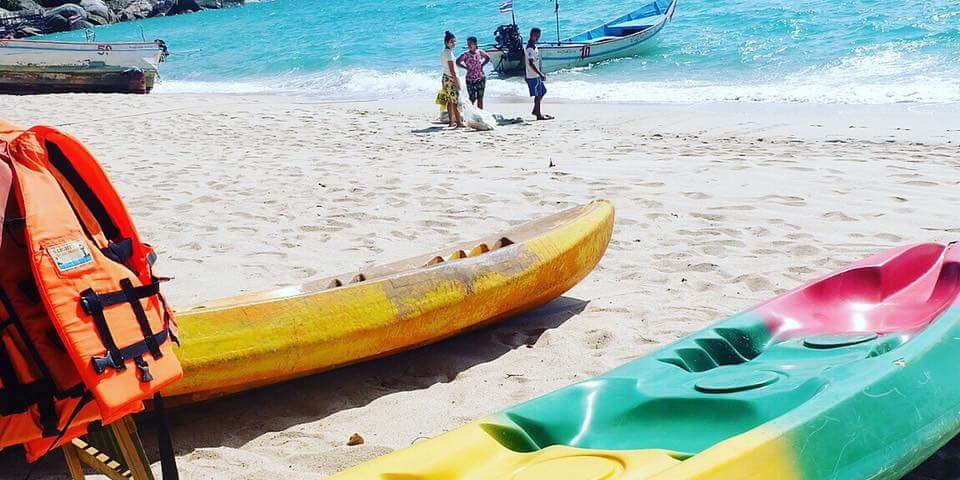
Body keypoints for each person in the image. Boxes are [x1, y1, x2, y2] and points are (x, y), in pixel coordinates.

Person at [435, 31, 464, 128]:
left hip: (445, 77)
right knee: (455, 101)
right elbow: (453, 71)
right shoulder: (449, 54)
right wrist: (458, 83)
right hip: (450, 78)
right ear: (447, 43)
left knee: (449, 101)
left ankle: (451, 122)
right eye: (452, 42)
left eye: (455, 41)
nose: (454, 43)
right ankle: (459, 123)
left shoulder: (444, 52)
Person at [524, 27, 552, 120]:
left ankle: (536, 110)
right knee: (538, 95)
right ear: (532, 35)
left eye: (539, 36)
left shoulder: (534, 46)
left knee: (543, 91)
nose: (538, 38)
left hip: (535, 75)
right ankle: (538, 115)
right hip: (532, 75)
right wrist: (540, 74)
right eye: (536, 36)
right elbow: (531, 63)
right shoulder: (530, 48)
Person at [456, 36, 491, 109]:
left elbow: (488, 57)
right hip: (470, 79)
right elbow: (457, 62)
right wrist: (465, 68)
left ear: (475, 44)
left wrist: (482, 65)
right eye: (468, 44)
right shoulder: (465, 55)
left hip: (481, 77)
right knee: (472, 98)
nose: (469, 45)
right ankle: (469, 113)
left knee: (480, 98)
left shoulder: (480, 52)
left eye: (470, 44)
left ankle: (480, 114)